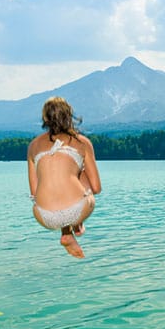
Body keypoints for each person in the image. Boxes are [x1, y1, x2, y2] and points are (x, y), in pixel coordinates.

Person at [27, 97, 102, 258]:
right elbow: (96, 188)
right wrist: (78, 170)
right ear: (69, 115)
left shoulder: (33, 146)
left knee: (57, 179)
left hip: (43, 215)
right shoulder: (81, 142)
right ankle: (76, 224)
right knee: (78, 173)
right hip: (77, 209)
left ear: (45, 118)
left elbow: (33, 192)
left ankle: (66, 233)